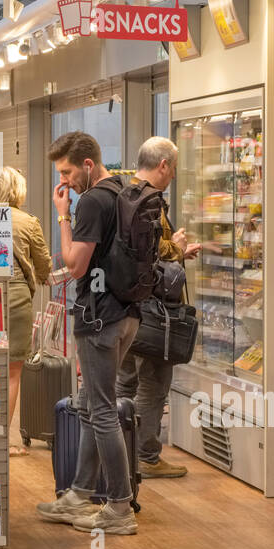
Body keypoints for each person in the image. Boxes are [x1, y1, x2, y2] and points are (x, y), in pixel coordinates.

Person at [36, 131, 140, 535]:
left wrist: (63, 214)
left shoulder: (93, 200)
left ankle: (118, 507)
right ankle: (79, 493)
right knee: (88, 403)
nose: (64, 181)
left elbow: (76, 264)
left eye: (66, 171)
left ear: (87, 165)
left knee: (100, 410)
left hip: (99, 319)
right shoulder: (123, 192)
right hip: (127, 314)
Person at [119, 137, 201, 479]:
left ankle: (120, 451)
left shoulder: (123, 194)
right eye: (174, 167)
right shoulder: (150, 201)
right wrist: (177, 248)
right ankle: (147, 456)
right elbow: (151, 253)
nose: (174, 175)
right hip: (154, 313)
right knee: (154, 382)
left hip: (124, 309)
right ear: (163, 165)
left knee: (124, 382)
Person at [0, 166, 51, 456]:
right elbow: (44, 265)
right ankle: (2, 439)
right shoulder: (27, 221)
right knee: (12, 371)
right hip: (14, 294)